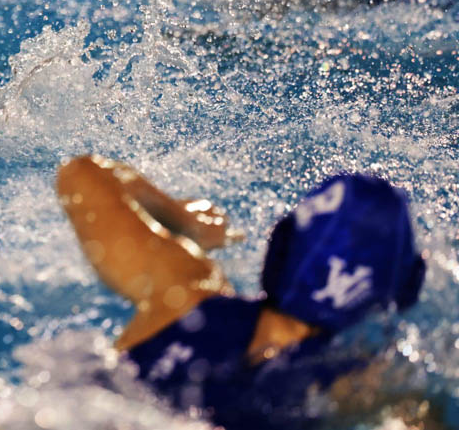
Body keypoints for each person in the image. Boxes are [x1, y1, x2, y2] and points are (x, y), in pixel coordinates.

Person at [55, 154, 433, 429]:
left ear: (280, 247)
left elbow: (82, 174)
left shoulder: (185, 293)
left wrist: (182, 219)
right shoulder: (360, 385)